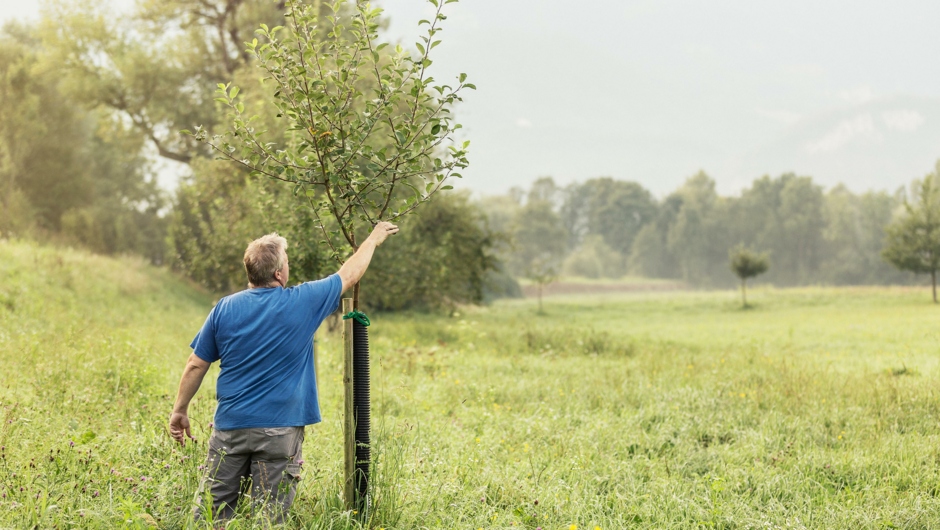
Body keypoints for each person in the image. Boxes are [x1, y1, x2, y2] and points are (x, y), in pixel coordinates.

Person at [168, 221, 399, 524]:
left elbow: (196, 364)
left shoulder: (224, 308)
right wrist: (374, 238)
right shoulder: (302, 301)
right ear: (278, 273)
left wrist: (179, 410)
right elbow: (350, 273)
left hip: (230, 429)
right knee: (270, 517)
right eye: (286, 262)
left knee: (210, 516)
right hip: (280, 432)